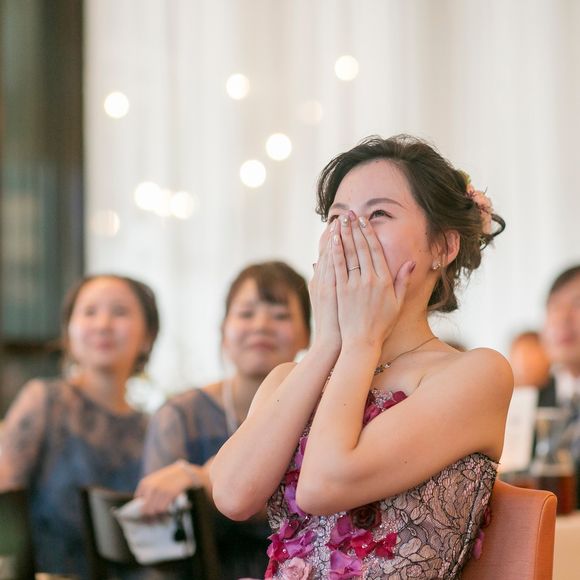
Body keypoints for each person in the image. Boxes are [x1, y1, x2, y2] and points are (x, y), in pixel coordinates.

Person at [211, 134, 513, 579]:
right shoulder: (292, 377)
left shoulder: (476, 374)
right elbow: (233, 496)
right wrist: (327, 345)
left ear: (444, 246)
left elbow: (322, 485)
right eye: (337, 218)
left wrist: (360, 342)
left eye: (379, 214)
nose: (349, 234)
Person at [136, 261, 311, 579]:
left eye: (280, 315)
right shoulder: (180, 416)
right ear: (223, 331)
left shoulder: (325, 415)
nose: (261, 325)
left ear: (308, 335)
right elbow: (157, 532)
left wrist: (203, 478)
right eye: (246, 313)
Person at [0, 274, 160, 578]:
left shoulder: (154, 428)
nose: (103, 324)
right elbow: (5, 500)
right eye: (89, 312)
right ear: (69, 331)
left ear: (147, 336)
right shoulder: (44, 401)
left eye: (120, 312)